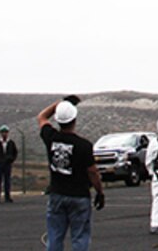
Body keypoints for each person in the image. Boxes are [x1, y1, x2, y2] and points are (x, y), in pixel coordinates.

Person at [37, 96, 105, 251]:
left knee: (54, 236)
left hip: (57, 193)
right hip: (79, 195)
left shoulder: (51, 137)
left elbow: (41, 117)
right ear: (74, 119)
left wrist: (60, 103)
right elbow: (93, 172)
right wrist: (99, 192)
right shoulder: (84, 145)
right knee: (80, 237)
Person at [0, 124, 18, 203]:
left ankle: (7, 197)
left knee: (7, 181)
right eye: (3, 132)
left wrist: (10, 160)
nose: (4, 134)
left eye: (5, 132)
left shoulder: (11, 143)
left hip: (7, 164)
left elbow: (15, 152)